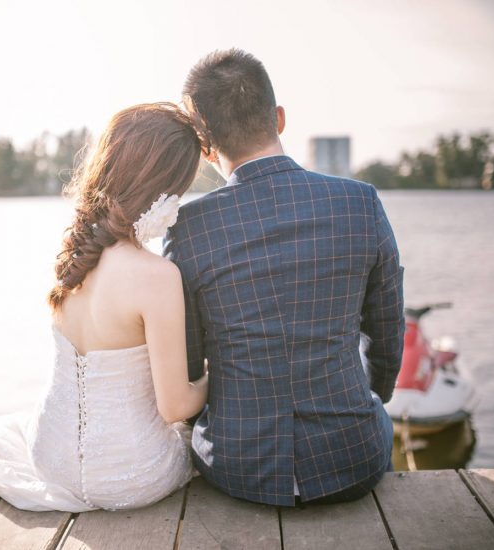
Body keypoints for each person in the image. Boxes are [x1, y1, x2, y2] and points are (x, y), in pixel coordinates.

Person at [163, 49, 405, 506]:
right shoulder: (361, 203)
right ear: (278, 118)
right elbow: (388, 331)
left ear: (206, 146)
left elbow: (190, 364)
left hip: (238, 468)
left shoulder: (188, 229)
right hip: (352, 459)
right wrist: (372, 395)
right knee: (377, 418)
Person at [0, 103, 208, 512]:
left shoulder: (76, 261)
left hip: (50, 459)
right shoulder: (157, 276)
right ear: (164, 190)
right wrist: (213, 378)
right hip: (134, 473)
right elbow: (175, 406)